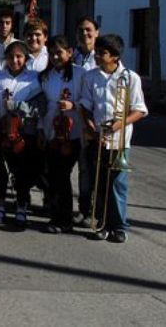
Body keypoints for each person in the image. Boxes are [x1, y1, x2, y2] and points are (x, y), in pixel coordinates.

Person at [79, 34, 147, 243]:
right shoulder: (90, 76)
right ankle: (102, 223)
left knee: (117, 185)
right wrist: (91, 127)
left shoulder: (130, 78)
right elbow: (85, 105)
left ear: (115, 56)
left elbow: (140, 110)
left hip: (119, 140)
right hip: (98, 139)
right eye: (97, 52)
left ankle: (119, 226)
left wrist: (119, 124)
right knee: (99, 183)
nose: (97, 56)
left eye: (102, 53)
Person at [0, 41, 45, 228]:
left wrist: (18, 107)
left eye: (19, 57)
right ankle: (0, 207)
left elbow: (39, 107)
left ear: (25, 59)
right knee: (3, 172)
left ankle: (21, 207)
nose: (15, 60)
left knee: (22, 173)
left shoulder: (34, 79)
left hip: (25, 133)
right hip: (3, 132)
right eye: (11, 57)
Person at [39, 35, 86, 233]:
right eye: (51, 53)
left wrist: (73, 105)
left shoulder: (81, 74)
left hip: (72, 133)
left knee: (62, 176)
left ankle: (63, 218)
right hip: (51, 131)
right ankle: (57, 215)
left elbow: (88, 100)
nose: (55, 57)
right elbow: (43, 105)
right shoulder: (46, 75)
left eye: (59, 52)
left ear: (69, 52)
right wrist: (42, 129)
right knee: (52, 175)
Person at [72, 16, 99, 227]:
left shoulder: (103, 56)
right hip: (74, 119)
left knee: (92, 168)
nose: (85, 34)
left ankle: (93, 211)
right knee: (82, 168)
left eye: (89, 30)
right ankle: (82, 208)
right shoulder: (73, 56)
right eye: (81, 30)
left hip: (94, 119)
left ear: (96, 32)